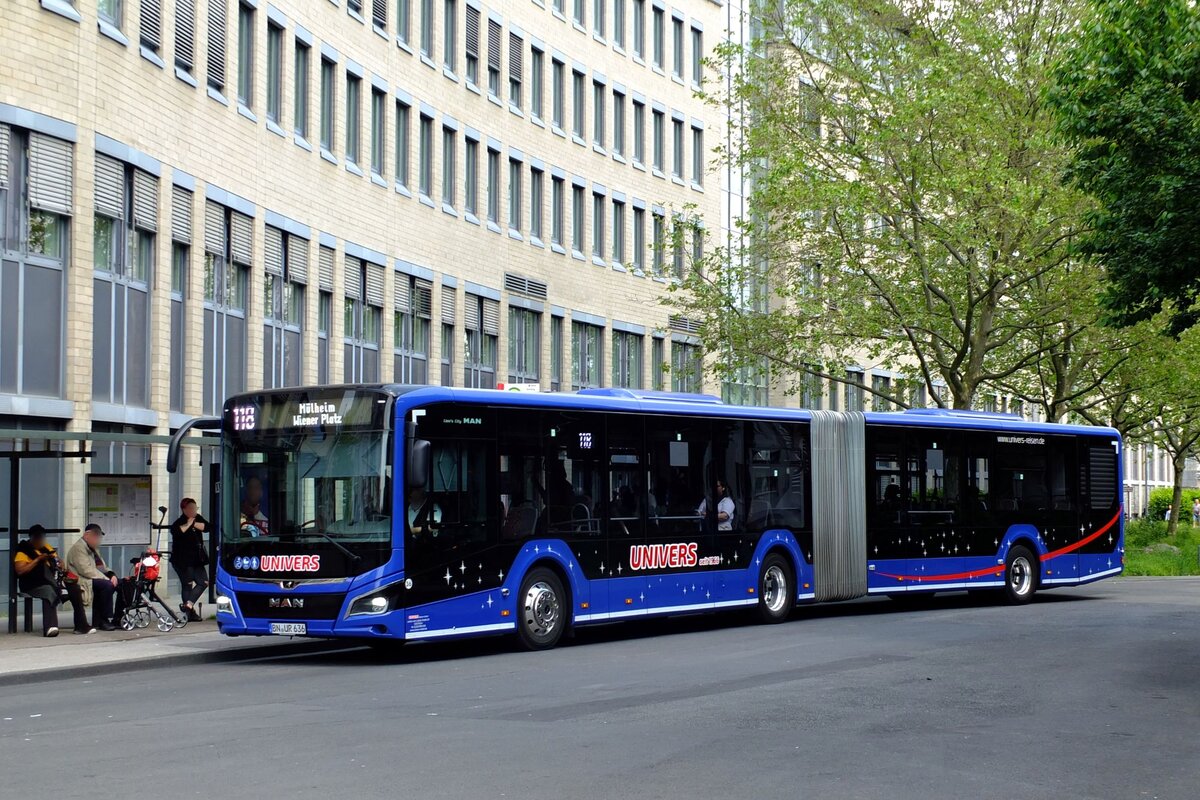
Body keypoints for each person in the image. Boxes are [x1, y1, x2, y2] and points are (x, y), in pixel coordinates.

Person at [13, 525, 92, 636]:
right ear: (32, 538)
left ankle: (81, 625)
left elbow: (58, 561)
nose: (40, 541)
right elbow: (20, 571)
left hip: (51, 580)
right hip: (32, 583)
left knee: (75, 588)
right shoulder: (23, 551)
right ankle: (50, 627)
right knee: (48, 591)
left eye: (42, 538)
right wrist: (38, 560)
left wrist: (60, 564)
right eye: (38, 538)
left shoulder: (46, 547)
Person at [65, 524, 118, 631]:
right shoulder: (78, 548)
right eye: (95, 536)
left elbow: (103, 567)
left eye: (98, 537)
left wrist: (112, 574)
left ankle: (119, 617)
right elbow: (86, 570)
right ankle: (103, 620)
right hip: (82, 580)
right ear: (87, 535)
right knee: (107, 585)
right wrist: (107, 579)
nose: (97, 539)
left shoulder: (93, 549)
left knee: (125, 583)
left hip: (95, 578)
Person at [169, 498, 210, 622]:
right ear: (184, 509)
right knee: (187, 585)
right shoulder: (179, 522)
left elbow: (208, 527)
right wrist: (188, 524)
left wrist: (194, 523)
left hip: (197, 559)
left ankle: (188, 604)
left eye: (195, 508)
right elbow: (177, 532)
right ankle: (190, 613)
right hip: (182, 560)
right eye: (191, 508)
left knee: (204, 582)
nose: (194, 511)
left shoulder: (198, 518)